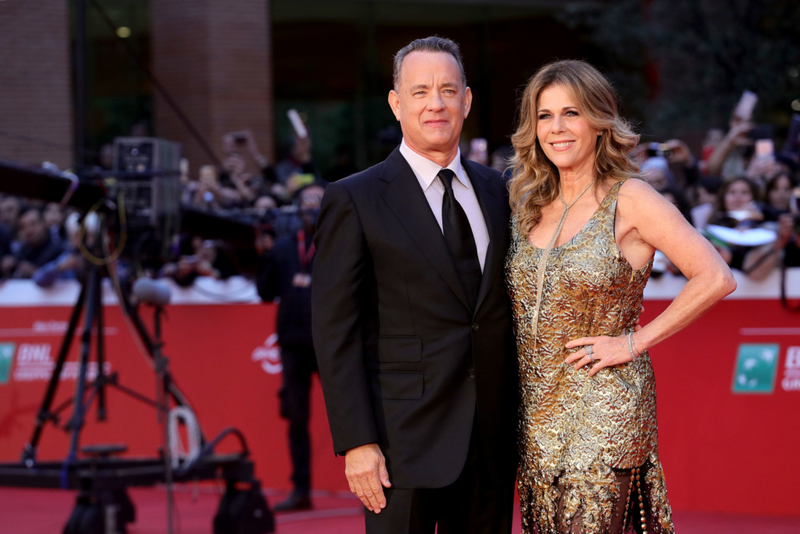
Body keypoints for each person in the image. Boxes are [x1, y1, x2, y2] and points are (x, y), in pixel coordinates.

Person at [505, 60, 736, 533]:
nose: (557, 128)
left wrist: (632, 342)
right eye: (544, 116)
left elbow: (715, 276)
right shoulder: (528, 202)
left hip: (605, 411)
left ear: (599, 121)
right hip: (536, 414)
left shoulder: (629, 197)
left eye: (571, 113)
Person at [312, 36, 517, 533]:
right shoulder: (355, 198)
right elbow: (335, 331)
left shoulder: (501, 190)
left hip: (490, 441)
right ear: (396, 102)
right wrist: (357, 442)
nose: (436, 104)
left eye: (448, 90)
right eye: (421, 91)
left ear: (466, 101)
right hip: (399, 445)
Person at [255, 184, 325, 511]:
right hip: (292, 343)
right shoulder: (283, 248)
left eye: (317, 204)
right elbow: (265, 292)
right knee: (296, 420)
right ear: (298, 211)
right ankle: (301, 490)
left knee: (352, 417)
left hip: (331, 343)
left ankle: (371, 489)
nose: (311, 209)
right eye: (306, 204)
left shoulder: (338, 243)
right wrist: (264, 259)